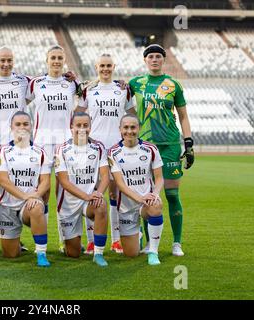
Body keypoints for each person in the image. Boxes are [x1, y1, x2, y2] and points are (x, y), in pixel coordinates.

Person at [128, 44, 194, 256]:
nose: (154, 59)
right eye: (151, 56)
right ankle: (149, 243)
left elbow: (183, 116)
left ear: (163, 60)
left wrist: (189, 143)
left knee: (172, 194)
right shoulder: (135, 83)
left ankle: (177, 243)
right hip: (145, 147)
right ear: (145, 60)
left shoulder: (173, 85)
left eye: (158, 56)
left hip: (169, 145)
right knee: (147, 195)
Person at [76, 53, 136, 254]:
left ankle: (117, 240)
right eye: (102, 65)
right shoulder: (89, 90)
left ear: (114, 66)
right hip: (93, 148)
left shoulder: (123, 89)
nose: (105, 69)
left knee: (115, 194)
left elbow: (132, 115)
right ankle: (92, 241)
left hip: (116, 149)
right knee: (91, 193)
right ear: (96, 67)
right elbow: (79, 115)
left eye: (109, 65)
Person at [26, 45, 80, 252]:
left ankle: (64, 239)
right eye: (53, 58)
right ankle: (43, 241)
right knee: (44, 191)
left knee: (65, 190)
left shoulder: (71, 84)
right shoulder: (36, 84)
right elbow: (20, 102)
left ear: (64, 61)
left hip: (66, 144)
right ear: (46, 60)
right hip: (41, 144)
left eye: (60, 57)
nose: (56, 61)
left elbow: (91, 90)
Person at [0, 111, 51, 267]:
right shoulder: (2, 152)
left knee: (37, 208)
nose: (22, 127)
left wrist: (35, 196)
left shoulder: (40, 152)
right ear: (11, 127)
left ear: (31, 126)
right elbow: (3, 181)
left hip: (29, 204)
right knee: (11, 255)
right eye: (18, 124)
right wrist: (25, 196)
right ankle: (16, 242)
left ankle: (41, 253)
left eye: (26, 124)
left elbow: (45, 182)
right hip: (6, 206)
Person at [108, 114, 164, 265]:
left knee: (156, 205)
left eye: (133, 127)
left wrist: (155, 194)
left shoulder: (150, 149)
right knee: (131, 254)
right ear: (120, 130)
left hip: (146, 203)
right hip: (126, 207)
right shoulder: (113, 153)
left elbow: (159, 178)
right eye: (125, 127)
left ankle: (153, 251)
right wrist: (139, 198)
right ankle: (137, 235)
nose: (129, 131)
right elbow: (120, 184)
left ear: (138, 128)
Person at [55, 112, 109, 267]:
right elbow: (64, 182)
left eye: (85, 125)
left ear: (90, 127)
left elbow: (105, 176)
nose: (82, 129)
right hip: (69, 205)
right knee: (74, 254)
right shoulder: (62, 149)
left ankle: (98, 253)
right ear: (71, 127)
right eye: (78, 125)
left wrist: (98, 194)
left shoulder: (98, 148)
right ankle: (69, 242)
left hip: (90, 201)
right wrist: (86, 196)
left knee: (101, 205)